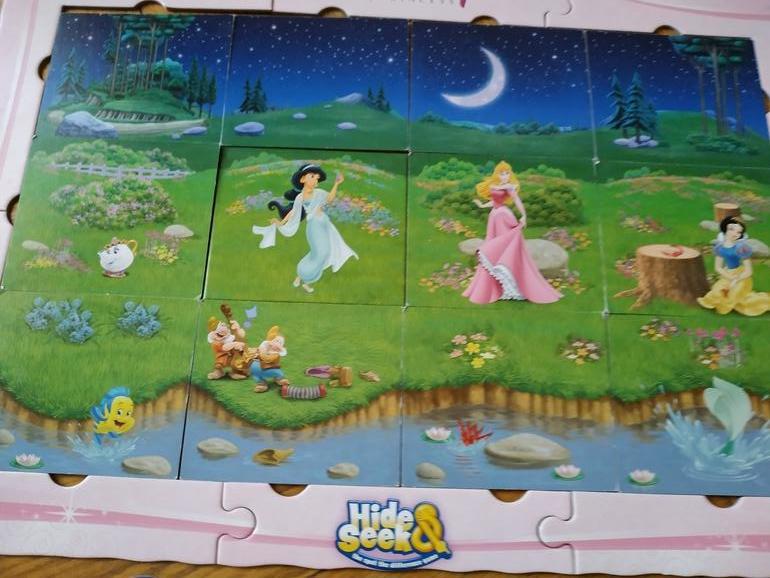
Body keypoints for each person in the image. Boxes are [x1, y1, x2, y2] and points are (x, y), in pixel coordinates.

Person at [462, 161, 562, 305]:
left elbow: (517, 200)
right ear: (497, 174)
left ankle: (513, 287)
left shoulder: (510, 186)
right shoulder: (495, 185)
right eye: (502, 173)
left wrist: (524, 215)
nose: (505, 176)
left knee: (506, 248)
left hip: (504, 217)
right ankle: (496, 288)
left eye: (507, 173)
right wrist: (482, 205)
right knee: (495, 246)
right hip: (494, 217)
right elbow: (495, 201)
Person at [252, 164, 357, 293]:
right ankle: (305, 279)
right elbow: (293, 212)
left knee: (322, 253)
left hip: (325, 225)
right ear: (303, 179)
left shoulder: (319, 193)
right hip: (314, 227)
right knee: (321, 253)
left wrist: (336, 184)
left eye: (317, 178)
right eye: (312, 176)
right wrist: (281, 222)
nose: (315, 180)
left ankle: (301, 277)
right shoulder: (300, 197)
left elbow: (329, 199)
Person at [697, 216, 770, 316]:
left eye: (739, 232)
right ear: (725, 229)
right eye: (731, 229)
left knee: (734, 297)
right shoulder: (720, 248)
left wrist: (736, 279)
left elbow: (748, 271)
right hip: (727, 274)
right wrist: (729, 277)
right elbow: (718, 267)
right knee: (717, 293)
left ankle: (764, 301)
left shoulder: (741, 248)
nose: (735, 233)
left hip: (741, 276)